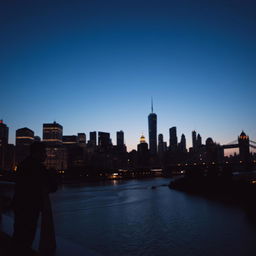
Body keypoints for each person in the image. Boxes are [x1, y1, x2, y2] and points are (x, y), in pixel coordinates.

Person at [12, 142, 57, 255]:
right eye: (44, 152)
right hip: (31, 208)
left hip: (20, 206)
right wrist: (52, 174)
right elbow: (52, 187)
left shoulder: (23, 165)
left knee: (18, 235)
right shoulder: (37, 168)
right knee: (27, 237)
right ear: (38, 153)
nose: (46, 155)